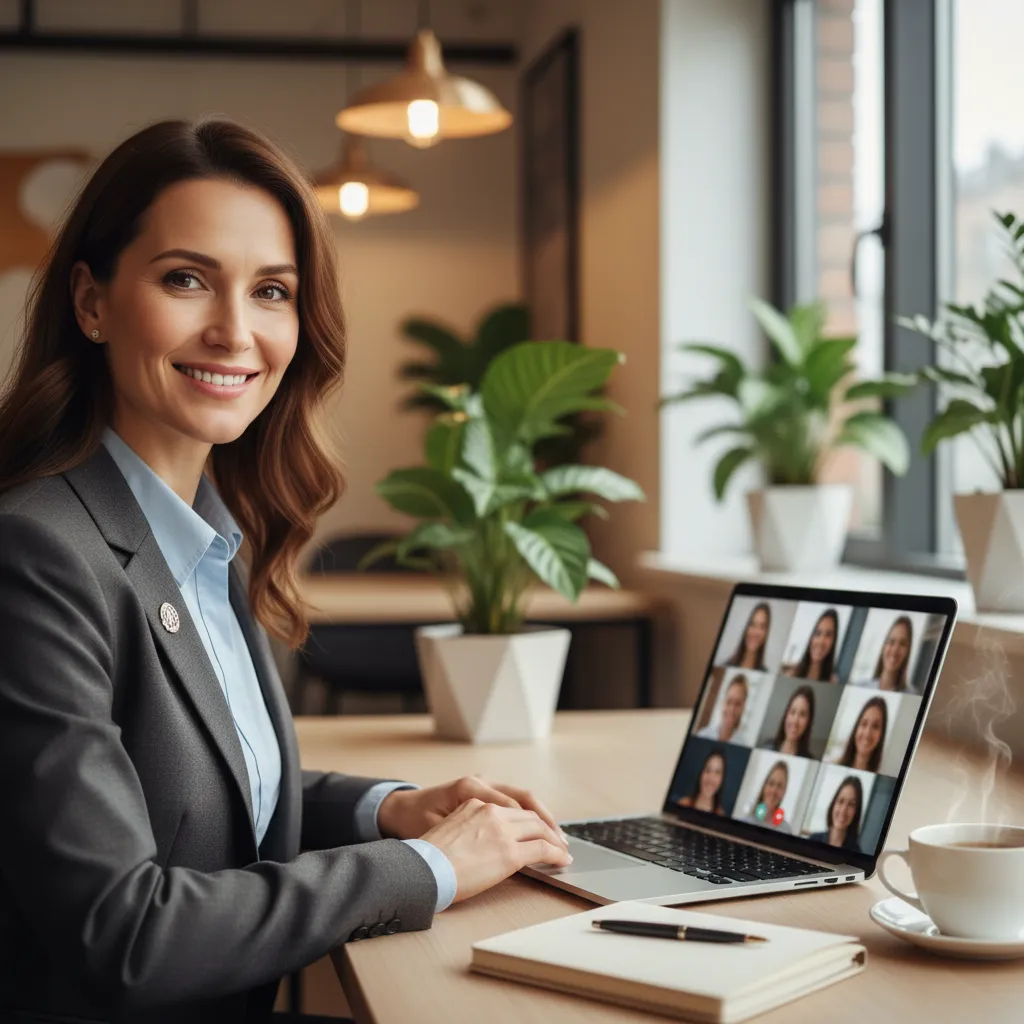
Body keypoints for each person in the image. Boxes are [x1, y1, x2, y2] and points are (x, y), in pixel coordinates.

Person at [0, 119, 572, 1024]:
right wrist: (428, 869)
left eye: (271, 291)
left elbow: (188, 791)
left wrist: (395, 810)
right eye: (185, 279)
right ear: (92, 301)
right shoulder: (38, 554)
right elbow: (126, 932)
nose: (234, 331)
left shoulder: (207, 534)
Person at [852, 615, 914, 691]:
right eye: (891, 641)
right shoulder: (859, 686)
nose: (895, 650)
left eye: (902, 644)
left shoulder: (911, 694)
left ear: (908, 651)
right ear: (884, 646)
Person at [807, 776, 864, 852]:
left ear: (856, 812)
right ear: (833, 804)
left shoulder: (857, 853)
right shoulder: (813, 840)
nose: (843, 810)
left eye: (851, 804)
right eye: (841, 801)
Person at [782, 608, 840, 682]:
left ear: (833, 641)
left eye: (828, 635)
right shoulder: (791, 675)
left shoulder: (833, 681)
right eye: (818, 633)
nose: (821, 641)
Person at [835, 696, 888, 773]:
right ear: (856, 727)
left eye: (875, 726)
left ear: (882, 734)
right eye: (864, 723)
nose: (867, 733)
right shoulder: (835, 763)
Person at [737, 760, 793, 833]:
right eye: (771, 783)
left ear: (784, 792)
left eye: (779, 786)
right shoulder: (744, 822)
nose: (774, 790)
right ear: (764, 786)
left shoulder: (786, 830)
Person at [760, 686, 815, 758]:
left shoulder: (809, 758)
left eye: (802, 715)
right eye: (792, 712)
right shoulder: (767, 747)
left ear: (808, 721)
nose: (795, 721)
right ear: (786, 715)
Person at [696, 673, 749, 742]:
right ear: (723, 703)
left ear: (743, 708)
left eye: (738, 704)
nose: (732, 710)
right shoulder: (702, 735)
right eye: (729, 701)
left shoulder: (743, 743)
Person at [677, 749, 728, 815]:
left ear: (722, 779)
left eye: (717, 772)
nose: (711, 778)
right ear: (701, 774)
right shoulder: (683, 803)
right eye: (708, 770)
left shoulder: (721, 814)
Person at [724, 602, 771, 671]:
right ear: (746, 628)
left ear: (766, 633)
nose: (756, 632)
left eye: (762, 627)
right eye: (753, 624)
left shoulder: (766, 672)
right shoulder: (726, 665)